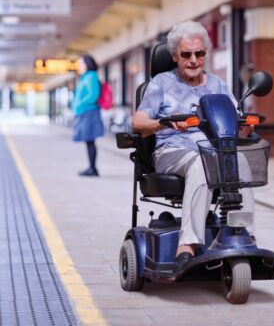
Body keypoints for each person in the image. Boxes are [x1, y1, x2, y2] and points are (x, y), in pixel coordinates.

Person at [131, 20, 255, 269]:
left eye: (199, 54)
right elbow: (138, 122)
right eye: (186, 54)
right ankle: (188, 243)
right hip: (172, 151)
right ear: (175, 56)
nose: (193, 60)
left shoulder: (217, 84)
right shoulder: (161, 84)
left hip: (215, 151)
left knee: (240, 161)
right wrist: (163, 124)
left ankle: (243, 233)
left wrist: (245, 124)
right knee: (201, 162)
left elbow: (234, 115)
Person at [72, 55, 105, 177]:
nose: (79, 66)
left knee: (90, 140)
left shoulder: (91, 76)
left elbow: (93, 94)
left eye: (81, 64)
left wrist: (80, 104)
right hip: (85, 112)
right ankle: (91, 167)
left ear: (87, 64)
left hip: (89, 112)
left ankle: (93, 169)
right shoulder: (85, 77)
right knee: (88, 141)